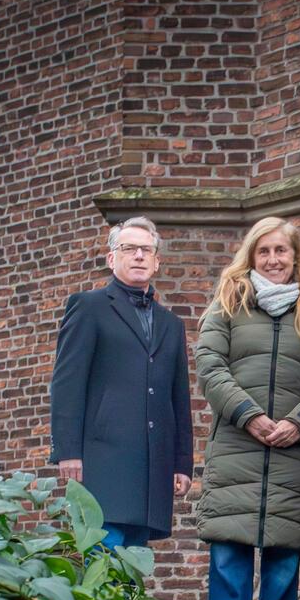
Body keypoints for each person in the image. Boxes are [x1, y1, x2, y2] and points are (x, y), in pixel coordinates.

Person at [195, 217, 300, 600]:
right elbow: (210, 367)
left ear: (296, 256)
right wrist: (249, 415)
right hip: (237, 448)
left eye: (282, 251)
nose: (273, 260)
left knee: (282, 567)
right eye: (264, 252)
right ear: (251, 256)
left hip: (293, 453)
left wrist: (299, 422)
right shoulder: (227, 304)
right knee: (229, 564)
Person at [50, 215, 193, 547]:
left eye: (146, 250)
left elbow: (178, 397)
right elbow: (67, 382)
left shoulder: (171, 324)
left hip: (152, 467)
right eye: (129, 248)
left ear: (157, 261)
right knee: (102, 559)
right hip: (102, 461)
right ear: (112, 258)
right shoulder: (88, 307)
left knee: (134, 568)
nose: (139, 256)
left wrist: (182, 462)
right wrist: (68, 450)